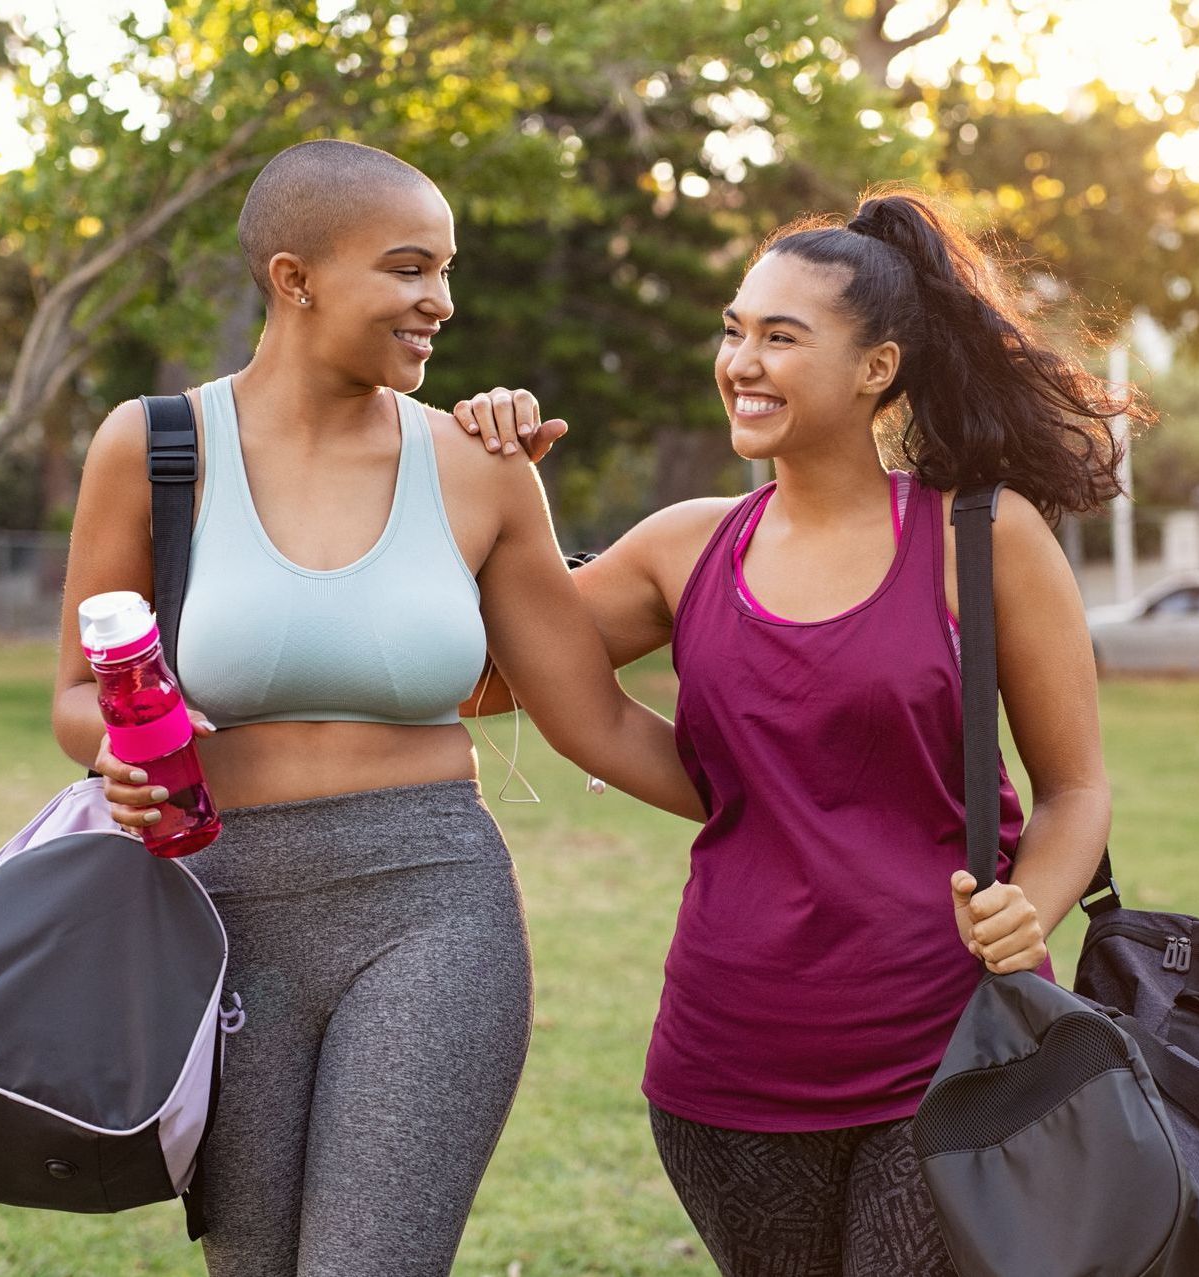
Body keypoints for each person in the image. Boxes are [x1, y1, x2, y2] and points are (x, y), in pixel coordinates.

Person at [51, 139, 703, 1277]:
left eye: (446, 272)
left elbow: (589, 715)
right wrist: (118, 752)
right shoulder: (155, 447)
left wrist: (803, 806)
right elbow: (74, 692)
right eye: (409, 269)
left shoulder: (478, 462)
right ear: (295, 278)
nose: (439, 302)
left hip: (432, 909)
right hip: (219, 915)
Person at [453, 188, 1134, 1276]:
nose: (742, 361)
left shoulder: (981, 533)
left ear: (876, 367)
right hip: (728, 1061)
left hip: (951, 1046)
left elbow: (1076, 791)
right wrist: (490, 490)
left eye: (781, 336)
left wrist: (1031, 904)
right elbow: (485, 679)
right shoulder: (685, 546)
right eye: (733, 329)